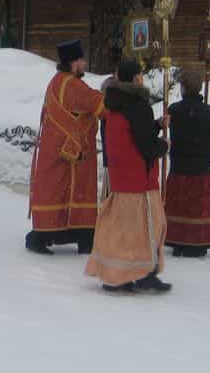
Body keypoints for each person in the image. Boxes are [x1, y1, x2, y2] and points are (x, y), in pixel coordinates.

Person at [85, 59, 172, 294]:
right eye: (141, 74)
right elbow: (146, 145)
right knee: (149, 229)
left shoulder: (114, 102)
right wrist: (164, 145)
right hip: (139, 181)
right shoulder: (138, 105)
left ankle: (119, 274)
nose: (142, 78)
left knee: (122, 230)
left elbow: (131, 132)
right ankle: (142, 275)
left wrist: (155, 125)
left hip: (121, 177)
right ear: (135, 78)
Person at [26, 40, 105, 255]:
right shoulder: (71, 84)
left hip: (57, 148)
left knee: (55, 192)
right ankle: (72, 237)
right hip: (70, 152)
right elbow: (99, 105)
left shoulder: (56, 81)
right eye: (82, 60)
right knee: (74, 190)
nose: (85, 63)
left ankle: (49, 235)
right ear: (74, 62)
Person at [165, 69, 210, 257]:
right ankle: (198, 241)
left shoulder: (174, 110)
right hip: (200, 167)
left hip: (179, 166)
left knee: (179, 204)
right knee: (198, 207)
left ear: (182, 88)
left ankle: (177, 239)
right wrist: (208, 152)